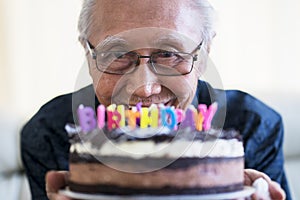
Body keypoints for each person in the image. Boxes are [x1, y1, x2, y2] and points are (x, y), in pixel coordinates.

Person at [21, 0, 290, 199]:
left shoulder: (252, 125)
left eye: (169, 53)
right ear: (87, 55)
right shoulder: (51, 133)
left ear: (205, 53)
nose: (145, 89)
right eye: (117, 54)